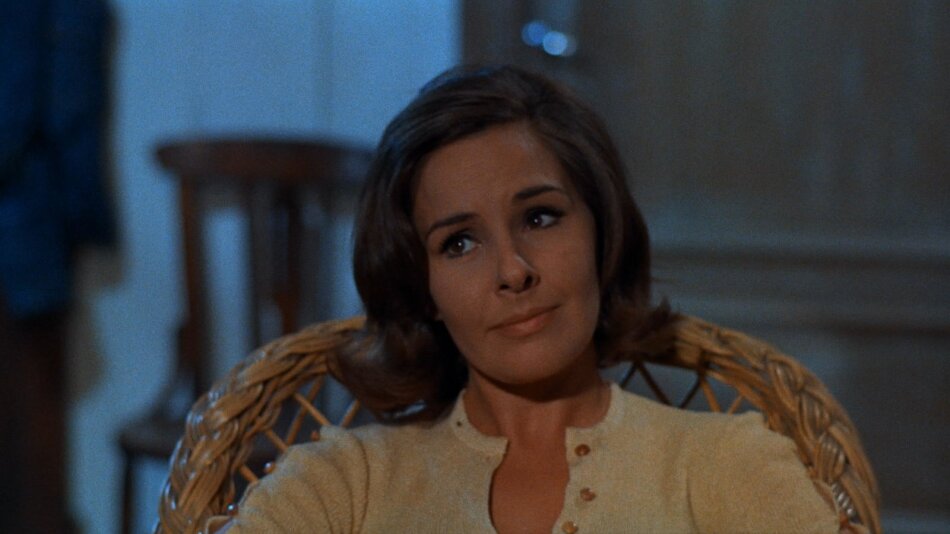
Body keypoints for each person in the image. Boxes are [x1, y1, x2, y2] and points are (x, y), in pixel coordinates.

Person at [219, 65, 838, 533]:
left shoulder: (724, 462)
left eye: (540, 218)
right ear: (423, 287)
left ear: (601, 233)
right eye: (459, 243)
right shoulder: (344, 482)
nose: (513, 271)